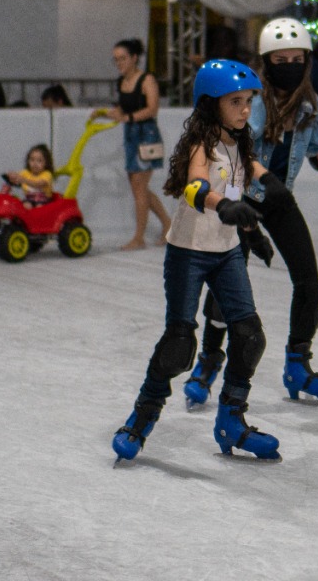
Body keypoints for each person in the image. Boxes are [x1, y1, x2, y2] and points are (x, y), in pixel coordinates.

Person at [185, 18, 318, 409]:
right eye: (280, 59)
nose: (288, 65)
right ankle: (208, 361)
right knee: (229, 292)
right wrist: (253, 204)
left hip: (277, 199)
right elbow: (238, 149)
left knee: (312, 289)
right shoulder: (249, 99)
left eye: (296, 58)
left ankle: (297, 364)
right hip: (240, 199)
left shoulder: (310, 105)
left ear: (307, 61)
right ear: (266, 61)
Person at [112, 59, 286, 462]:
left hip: (226, 255)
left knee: (250, 336)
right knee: (178, 343)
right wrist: (220, 204)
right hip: (188, 254)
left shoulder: (239, 142)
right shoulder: (201, 145)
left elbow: (248, 171)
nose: (245, 109)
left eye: (249, 101)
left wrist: (263, 196)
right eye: (236, 102)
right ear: (211, 104)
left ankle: (231, 422)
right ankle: (141, 419)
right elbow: (194, 187)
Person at [96, 38, 171, 250]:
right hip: (131, 136)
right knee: (139, 188)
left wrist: (127, 118)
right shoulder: (121, 82)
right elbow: (121, 111)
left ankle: (139, 237)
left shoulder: (146, 80)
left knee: (139, 187)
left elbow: (152, 109)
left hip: (147, 136)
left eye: (122, 58)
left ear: (134, 58)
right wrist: (103, 114)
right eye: (116, 60)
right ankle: (167, 224)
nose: (119, 63)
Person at [7, 144, 54, 208]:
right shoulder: (25, 173)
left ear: (46, 163)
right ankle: (27, 217)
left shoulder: (47, 174)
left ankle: (38, 217)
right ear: (28, 161)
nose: (35, 163)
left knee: (40, 207)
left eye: (39, 161)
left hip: (43, 200)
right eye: (32, 160)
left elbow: (39, 184)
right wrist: (12, 177)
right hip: (29, 199)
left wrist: (23, 180)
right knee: (26, 206)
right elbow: (17, 179)